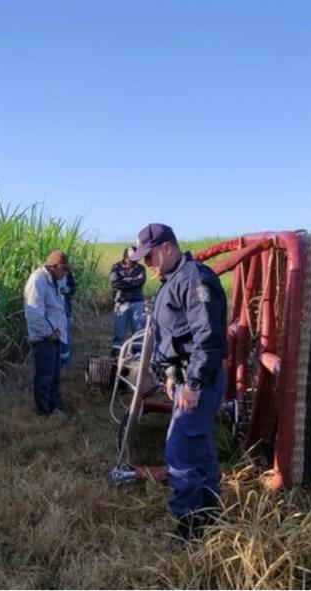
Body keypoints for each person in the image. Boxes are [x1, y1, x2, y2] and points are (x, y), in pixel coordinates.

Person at [128, 223, 227, 541]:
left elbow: (207, 336)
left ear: (168, 248)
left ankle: (190, 527)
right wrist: (172, 375)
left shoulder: (195, 279)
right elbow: (172, 336)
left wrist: (194, 383)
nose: (149, 266)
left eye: (151, 257)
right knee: (199, 446)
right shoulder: (171, 281)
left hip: (199, 378)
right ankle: (210, 513)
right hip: (185, 376)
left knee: (180, 450)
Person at [23, 250, 71, 416]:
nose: (66, 272)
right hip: (44, 337)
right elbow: (34, 313)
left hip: (55, 335)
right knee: (45, 376)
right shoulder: (38, 280)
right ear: (53, 266)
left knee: (55, 375)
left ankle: (55, 405)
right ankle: (44, 411)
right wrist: (49, 332)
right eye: (64, 269)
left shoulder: (54, 279)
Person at [109, 246, 147, 356]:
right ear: (125, 257)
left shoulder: (141, 268)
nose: (132, 261)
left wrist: (124, 281)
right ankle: (116, 355)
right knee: (119, 331)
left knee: (139, 331)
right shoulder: (116, 267)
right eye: (130, 258)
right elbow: (115, 283)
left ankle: (138, 354)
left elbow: (140, 281)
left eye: (135, 259)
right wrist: (132, 281)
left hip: (137, 302)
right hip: (121, 303)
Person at [57, 270, 76, 368]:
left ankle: (64, 364)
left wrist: (68, 290)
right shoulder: (49, 276)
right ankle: (57, 363)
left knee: (66, 336)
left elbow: (73, 288)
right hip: (54, 311)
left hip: (65, 309)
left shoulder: (67, 273)